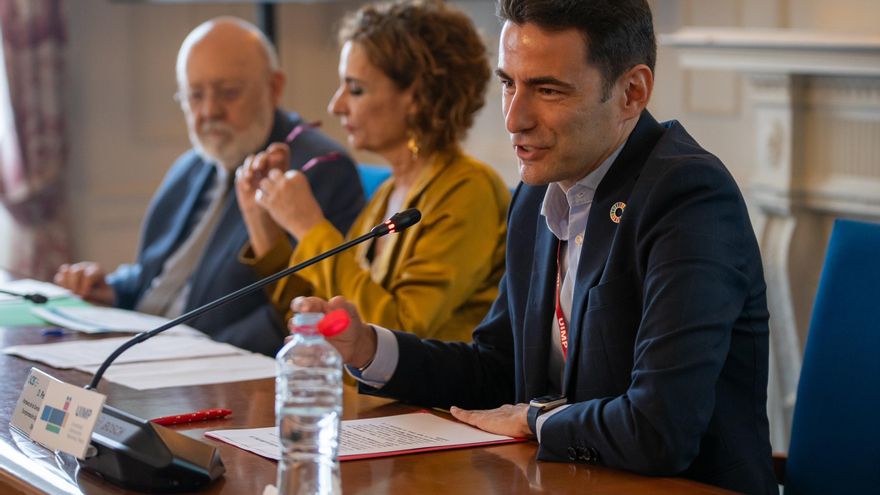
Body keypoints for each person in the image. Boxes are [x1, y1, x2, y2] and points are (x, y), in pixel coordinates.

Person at [295, 0, 776, 493]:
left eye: (547, 90)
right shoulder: (536, 196)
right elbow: (499, 369)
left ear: (631, 92)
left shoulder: (688, 197)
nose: (514, 118)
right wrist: (371, 348)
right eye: (509, 84)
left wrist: (533, 419)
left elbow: (660, 427)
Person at [53, 17, 364, 355]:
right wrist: (111, 290)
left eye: (228, 93)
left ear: (274, 88)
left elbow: (290, 309)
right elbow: (159, 276)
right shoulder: (193, 164)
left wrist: (197, 352)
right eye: (195, 95)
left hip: (209, 363)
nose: (210, 111)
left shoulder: (314, 169)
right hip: (139, 346)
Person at [238, 0, 509, 343]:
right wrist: (262, 224)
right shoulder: (388, 193)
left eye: (355, 89)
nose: (335, 106)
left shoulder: (469, 190)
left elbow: (396, 335)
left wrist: (308, 226)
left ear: (416, 96)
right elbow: (312, 320)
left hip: (429, 381)